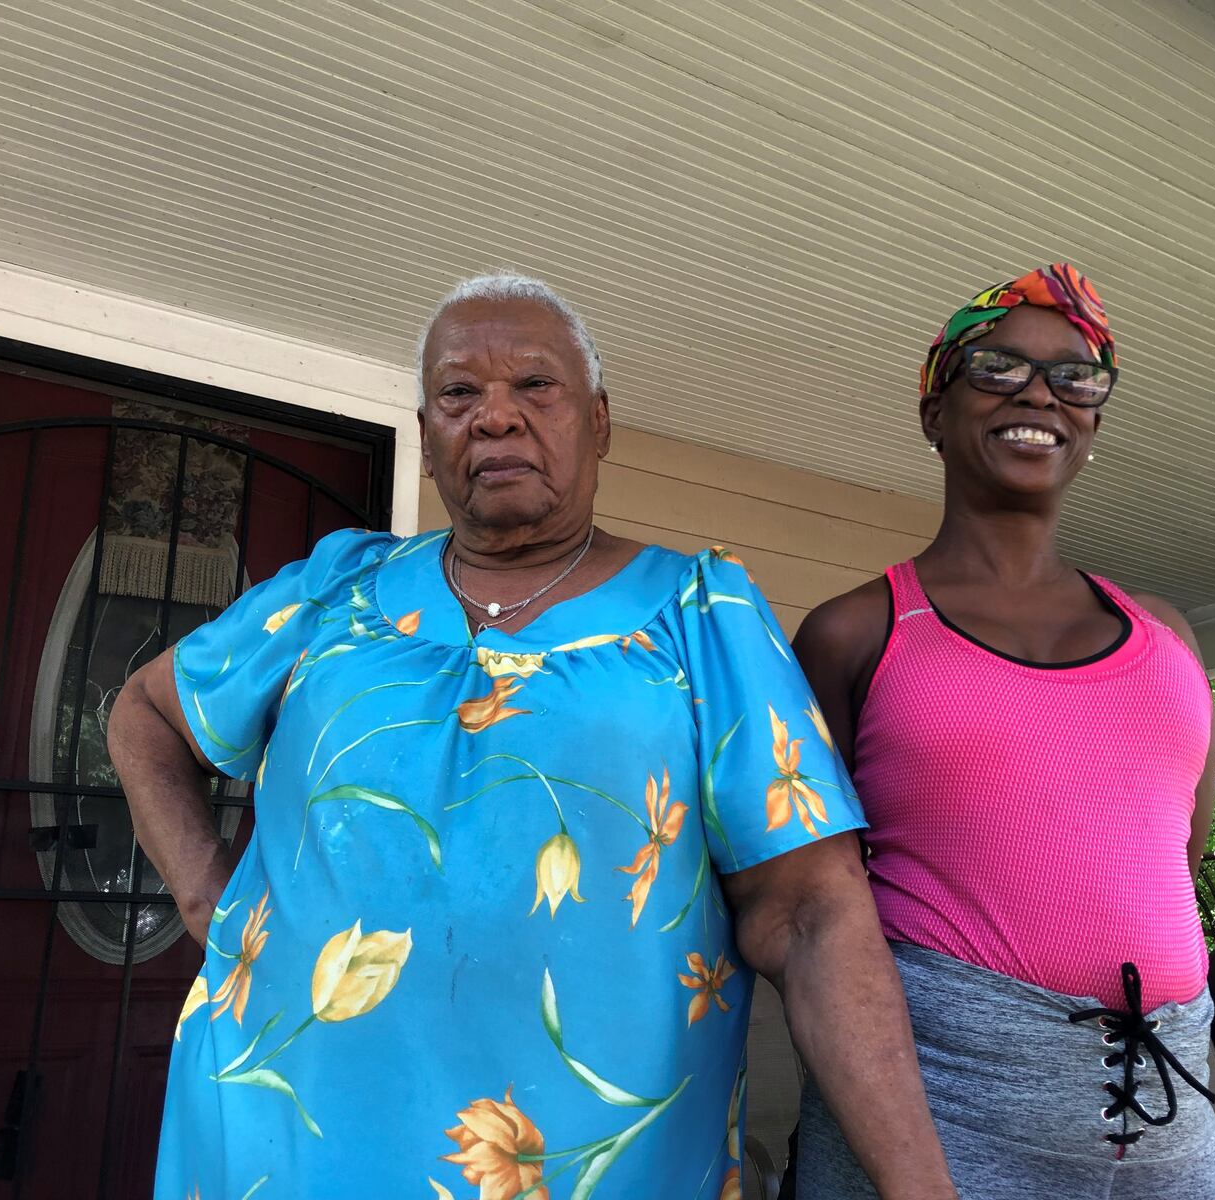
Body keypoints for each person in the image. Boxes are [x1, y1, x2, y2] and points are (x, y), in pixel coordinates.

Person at [109, 273, 958, 1200]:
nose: (495, 417)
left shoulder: (699, 613)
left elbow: (809, 912)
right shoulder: (335, 591)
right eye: (458, 393)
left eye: (536, 387)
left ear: (599, 423)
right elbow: (146, 714)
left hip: (594, 1162)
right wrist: (207, 903)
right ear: (427, 433)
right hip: (287, 1137)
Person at [789, 265, 1215, 1200]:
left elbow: (1174, 855)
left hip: (1169, 1114)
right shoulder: (857, 631)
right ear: (934, 412)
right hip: (940, 1119)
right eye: (997, 368)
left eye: (1076, 377)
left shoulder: (1165, 636)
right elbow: (806, 904)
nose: (1040, 392)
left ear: (1093, 428)